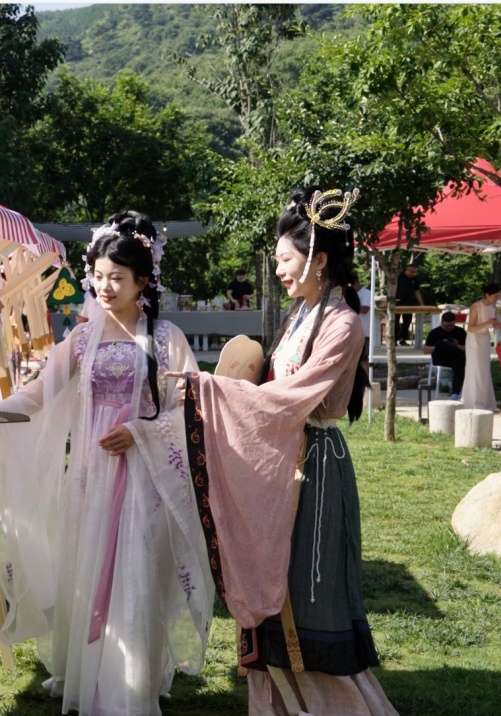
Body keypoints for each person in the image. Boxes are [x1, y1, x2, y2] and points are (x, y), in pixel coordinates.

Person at [0, 211, 213, 715]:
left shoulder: (165, 340)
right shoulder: (81, 339)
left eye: (117, 277)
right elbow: (37, 394)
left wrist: (141, 431)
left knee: (138, 573)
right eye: (98, 276)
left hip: (145, 477)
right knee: (90, 569)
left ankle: (131, 684)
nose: (104, 286)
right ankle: (92, 674)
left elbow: (190, 407)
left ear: (144, 280)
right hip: (93, 477)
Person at [181, 186, 394, 714]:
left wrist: (212, 389)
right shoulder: (301, 314)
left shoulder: (342, 323)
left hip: (316, 467)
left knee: (308, 592)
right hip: (280, 460)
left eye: (284, 259)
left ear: (318, 260)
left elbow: (294, 397)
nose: (277, 269)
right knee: (272, 584)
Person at [461, 283, 501, 411]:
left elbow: (491, 323)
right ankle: (473, 401)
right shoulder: (476, 307)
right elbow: (471, 328)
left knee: (484, 371)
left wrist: (497, 325)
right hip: (474, 341)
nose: (497, 299)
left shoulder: (493, 306)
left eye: (498, 296)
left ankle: (486, 402)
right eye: (495, 296)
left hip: (484, 339)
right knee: (475, 370)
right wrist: (488, 323)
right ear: (487, 295)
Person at [423, 311, 467, 400]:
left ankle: (455, 393)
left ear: (454, 322)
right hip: (440, 358)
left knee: (460, 363)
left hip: (455, 358)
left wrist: (457, 345)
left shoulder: (460, 332)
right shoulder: (435, 332)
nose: (448, 328)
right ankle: (445, 347)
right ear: (442, 322)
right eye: (446, 326)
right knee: (441, 343)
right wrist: (440, 346)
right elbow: (426, 350)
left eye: (451, 326)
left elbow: (468, 348)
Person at [395, 264, 423, 344]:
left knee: (407, 321)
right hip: (397, 302)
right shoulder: (399, 277)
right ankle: (394, 339)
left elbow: (417, 292)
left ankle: (403, 338)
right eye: (410, 271)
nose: (412, 273)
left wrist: (421, 304)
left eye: (414, 272)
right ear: (406, 270)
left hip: (409, 303)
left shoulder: (414, 279)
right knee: (395, 321)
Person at [352, 272, 373, 374]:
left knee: (364, 358)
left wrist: (349, 305)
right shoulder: (350, 294)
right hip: (352, 331)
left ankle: (365, 381)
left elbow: (365, 309)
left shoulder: (366, 293)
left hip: (364, 331)